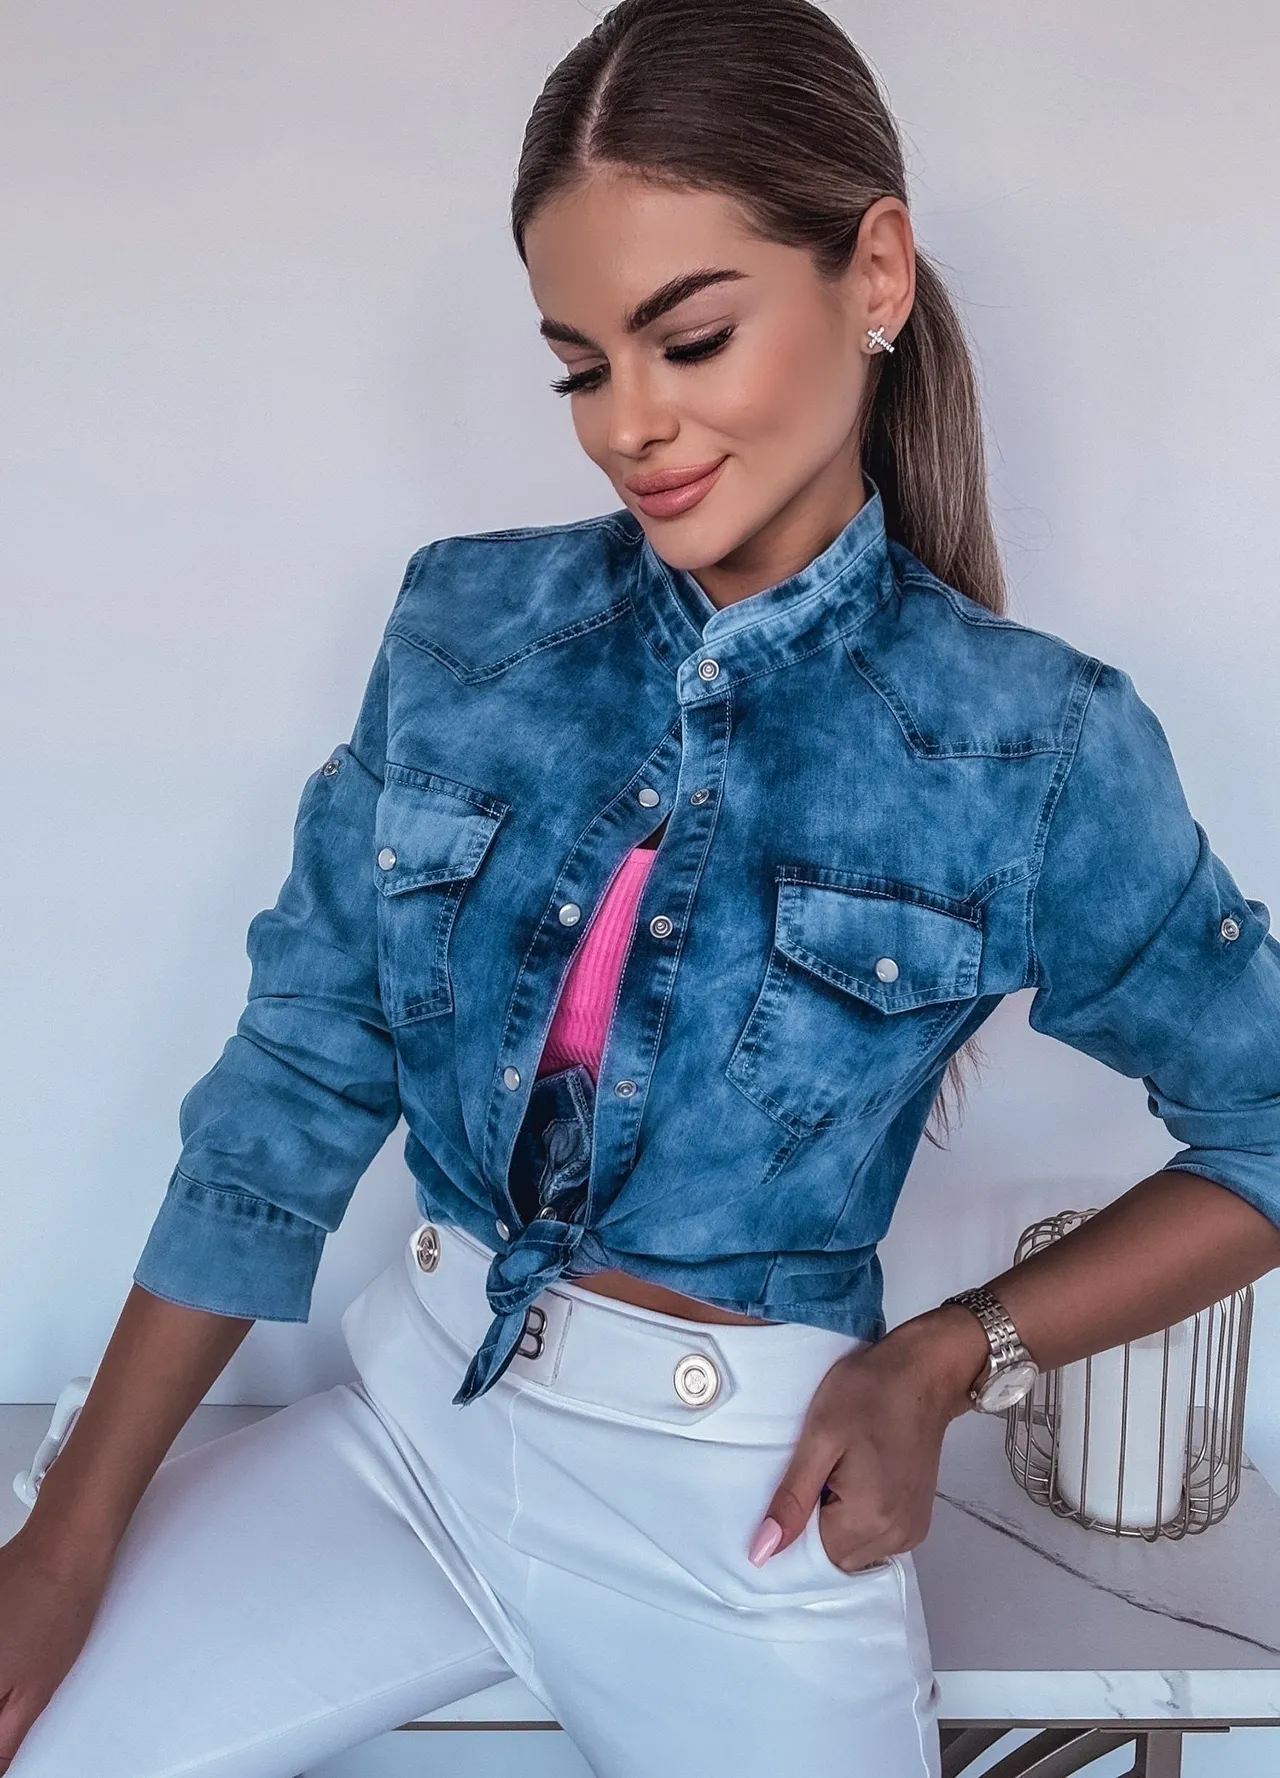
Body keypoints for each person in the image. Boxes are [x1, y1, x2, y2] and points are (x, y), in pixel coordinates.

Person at [4, 2, 1280, 1774]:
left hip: (742, 1509)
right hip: (416, 1420)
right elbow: (292, 1082)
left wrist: (949, 1355)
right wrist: (67, 1534)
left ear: (875, 273)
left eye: (690, 339)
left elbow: (1265, 1119)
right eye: (580, 365)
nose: (630, 425)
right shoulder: (464, 628)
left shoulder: (1034, 745)